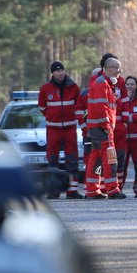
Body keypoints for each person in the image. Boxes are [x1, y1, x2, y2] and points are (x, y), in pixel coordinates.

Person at [38, 61, 83, 199]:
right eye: (58, 71)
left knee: (72, 160)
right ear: (53, 73)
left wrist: (72, 117)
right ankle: (53, 191)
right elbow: (42, 108)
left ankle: (72, 191)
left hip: (70, 128)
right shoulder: (45, 89)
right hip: (53, 129)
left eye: (62, 70)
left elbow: (79, 106)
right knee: (52, 161)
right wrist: (52, 118)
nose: (61, 73)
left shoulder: (74, 87)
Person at [84, 57, 126, 199]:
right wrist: (107, 126)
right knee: (110, 158)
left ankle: (92, 190)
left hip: (98, 127)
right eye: (116, 67)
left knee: (95, 158)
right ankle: (112, 190)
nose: (119, 70)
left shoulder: (104, 84)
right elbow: (101, 108)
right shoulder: (102, 84)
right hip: (102, 128)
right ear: (107, 69)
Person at [119, 75, 137, 197]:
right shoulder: (120, 100)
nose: (129, 86)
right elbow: (119, 116)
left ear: (136, 86)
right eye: (127, 84)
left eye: (132, 84)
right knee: (122, 165)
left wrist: (127, 118)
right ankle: (118, 188)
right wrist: (129, 118)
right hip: (124, 139)